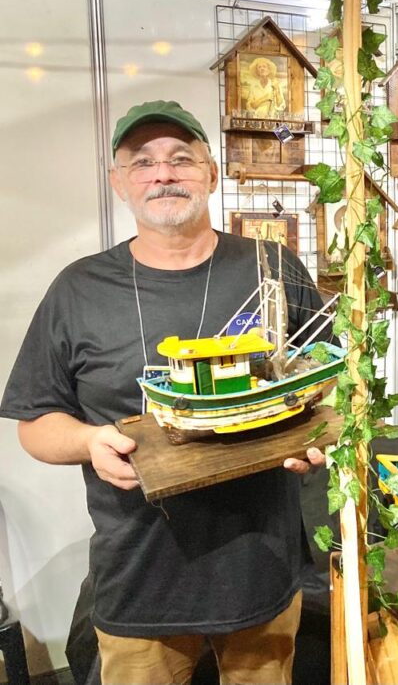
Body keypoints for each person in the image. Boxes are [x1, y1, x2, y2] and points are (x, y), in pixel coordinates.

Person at [0, 100, 326, 685]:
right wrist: (89, 442)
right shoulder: (78, 289)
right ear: (118, 182)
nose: (164, 174)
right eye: (143, 162)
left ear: (211, 173)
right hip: (140, 582)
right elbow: (36, 424)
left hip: (262, 570)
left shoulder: (273, 268)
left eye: (182, 159)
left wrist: (315, 436)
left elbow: (326, 380)